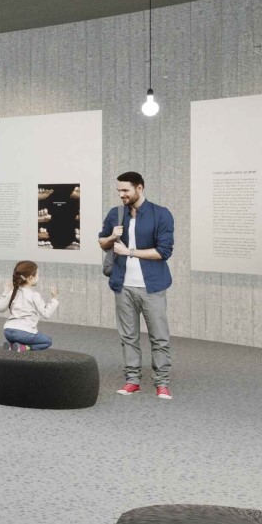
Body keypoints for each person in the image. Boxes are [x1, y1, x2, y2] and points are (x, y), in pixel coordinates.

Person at [99, 171, 176, 400]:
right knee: (128, 337)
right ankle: (132, 380)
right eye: (119, 191)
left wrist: (129, 252)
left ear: (139, 188)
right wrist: (111, 238)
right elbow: (102, 242)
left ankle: (162, 382)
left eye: (125, 190)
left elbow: (164, 251)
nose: (121, 194)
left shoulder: (161, 214)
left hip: (151, 286)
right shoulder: (115, 213)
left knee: (159, 337)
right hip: (122, 286)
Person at [0, 260, 59, 351]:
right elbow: (46, 314)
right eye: (38, 275)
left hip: (7, 331)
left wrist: (5, 292)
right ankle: (24, 347)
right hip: (23, 333)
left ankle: (12, 345)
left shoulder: (13, 292)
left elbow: (0, 308)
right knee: (47, 341)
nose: (38, 278)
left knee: (20, 337)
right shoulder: (34, 295)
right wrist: (54, 299)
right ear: (30, 278)